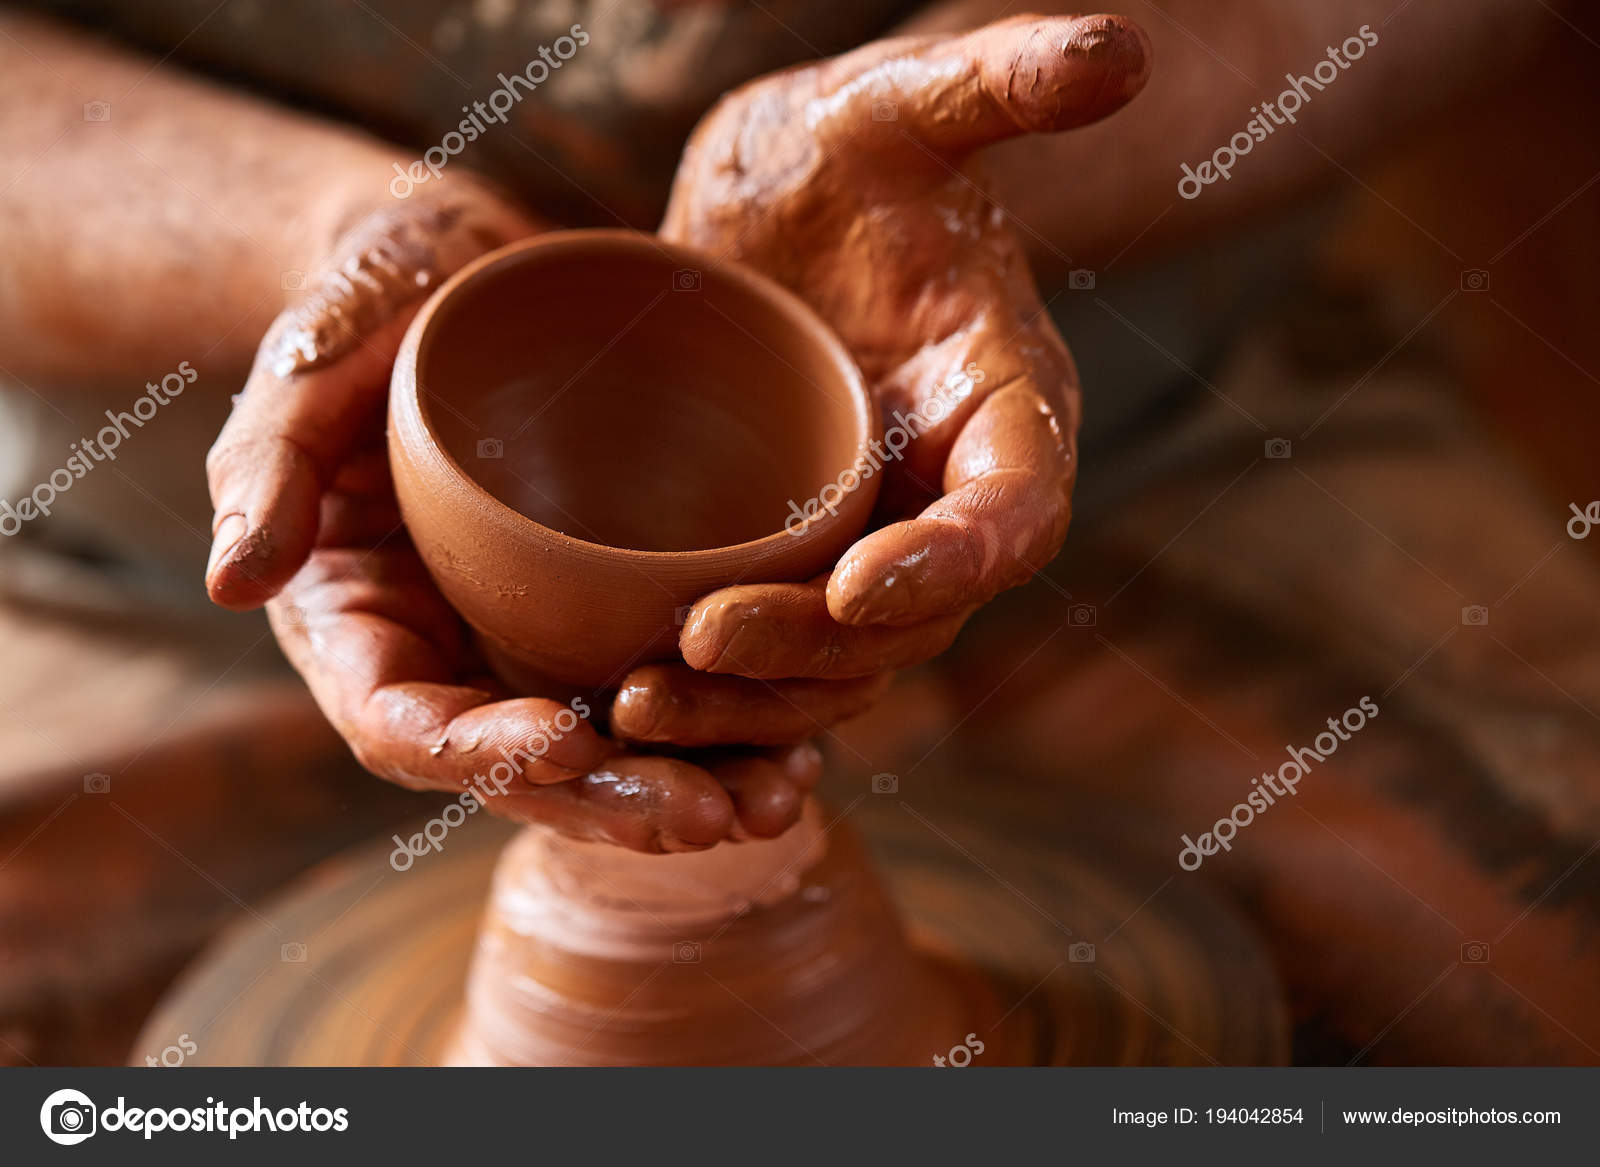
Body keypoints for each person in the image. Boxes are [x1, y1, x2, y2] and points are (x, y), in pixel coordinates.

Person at [4, 1, 1597, 1062]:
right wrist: (314, 241)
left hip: (1134, 401)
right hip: (169, 491)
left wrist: (965, 158)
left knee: (1526, 987)